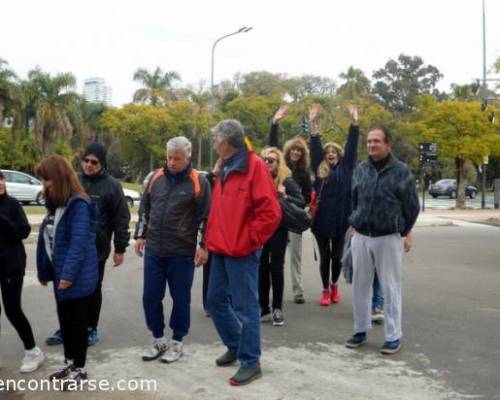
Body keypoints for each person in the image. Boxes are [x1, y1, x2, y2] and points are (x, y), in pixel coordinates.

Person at [206, 119, 281, 386]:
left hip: (241, 250)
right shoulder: (224, 166)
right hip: (221, 247)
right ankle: (236, 345)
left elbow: (271, 213)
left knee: (246, 308)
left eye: (215, 138)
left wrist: (250, 240)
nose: (213, 142)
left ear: (225, 142)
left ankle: (251, 361)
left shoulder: (254, 167)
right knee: (214, 300)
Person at [45, 143, 130, 347]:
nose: (89, 165)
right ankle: (66, 327)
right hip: (69, 246)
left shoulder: (112, 186)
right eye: (86, 160)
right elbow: (56, 207)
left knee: (92, 289)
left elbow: (121, 219)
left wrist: (120, 248)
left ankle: (90, 327)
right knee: (65, 287)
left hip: (96, 250)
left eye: (94, 162)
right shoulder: (73, 181)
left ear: (102, 164)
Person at [134, 136, 211, 364]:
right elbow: (144, 210)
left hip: (182, 253)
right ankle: (158, 339)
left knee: (180, 299)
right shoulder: (156, 178)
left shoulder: (199, 182)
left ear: (188, 157)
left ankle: (177, 342)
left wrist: (204, 247)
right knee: (150, 297)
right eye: (169, 157)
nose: (172, 162)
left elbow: (207, 218)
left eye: (177, 158)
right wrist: (140, 235)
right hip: (154, 251)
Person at [346, 126, 419, 355]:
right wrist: (354, 221)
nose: (371, 145)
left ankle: (393, 335)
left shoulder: (401, 171)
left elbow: (412, 206)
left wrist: (403, 230)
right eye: (368, 141)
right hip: (361, 236)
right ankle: (359, 330)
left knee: (390, 287)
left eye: (376, 141)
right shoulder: (361, 169)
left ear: (388, 145)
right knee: (360, 286)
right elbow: (354, 199)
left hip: (388, 237)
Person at [36, 155, 98, 387]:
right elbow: (48, 241)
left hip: (76, 278)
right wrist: (45, 272)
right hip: (61, 276)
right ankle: (69, 363)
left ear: (59, 178)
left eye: (47, 178)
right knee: (66, 324)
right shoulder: (56, 205)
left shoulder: (78, 205)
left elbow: (78, 243)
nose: (45, 184)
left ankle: (80, 369)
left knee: (76, 326)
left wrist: (68, 275)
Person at [309, 104, 360, 306]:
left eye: (333, 151)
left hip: (342, 221)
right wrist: (313, 122)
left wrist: (354, 123)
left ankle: (334, 285)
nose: (329, 153)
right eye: (327, 151)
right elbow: (314, 147)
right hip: (321, 222)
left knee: (337, 258)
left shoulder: (347, 168)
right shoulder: (319, 169)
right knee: (325, 258)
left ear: (338, 154)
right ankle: (324, 290)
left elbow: (352, 147)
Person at [0, 170, 45, 373]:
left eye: (0, 180)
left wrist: (3, 220)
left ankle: (33, 351)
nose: (0, 183)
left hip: (11, 264)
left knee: (13, 310)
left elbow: (24, 231)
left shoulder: (12, 205)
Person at [269, 106, 312, 304]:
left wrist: (292, 202)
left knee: (295, 255)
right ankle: (267, 294)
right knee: (272, 258)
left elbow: (307, 198)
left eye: (299, 150)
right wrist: (275, 123)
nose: (295, 152)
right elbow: (271, 146)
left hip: (292, 215)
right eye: (293, 149)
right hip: (274, 216)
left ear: (302, 154)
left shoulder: (303, 173)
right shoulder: (279, 166)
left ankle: (298, 291)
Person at [259, 147, 304, 326]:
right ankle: (263, 307)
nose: (267, 163)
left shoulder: (286, 180)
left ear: (278, 163)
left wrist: (284, 196)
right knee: (261, 267)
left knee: (276, 267)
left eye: (271, 160)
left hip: (278, 228)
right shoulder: (257, 179)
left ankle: (277, 308)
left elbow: (301, 200)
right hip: (260, 230)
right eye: (264, 160)